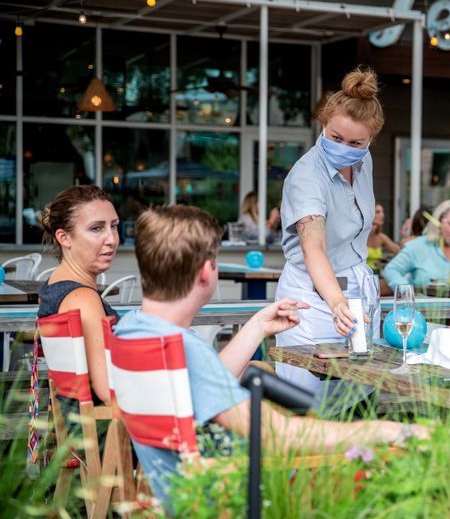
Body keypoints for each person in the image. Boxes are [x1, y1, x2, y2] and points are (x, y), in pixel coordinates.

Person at [114, 205, 429, 506]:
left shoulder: (134, 331)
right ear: (206, 272)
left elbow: (205, 380)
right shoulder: (184, 347)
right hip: (235, 494)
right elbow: (278, 436)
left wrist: (258, 326)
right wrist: (380, 429)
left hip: (181, 490)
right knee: (389, 469)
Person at [275, 67, 382, 398]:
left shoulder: (364, 163)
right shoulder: (308, 176)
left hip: (357, 294)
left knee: (358, 397)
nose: (344, 148)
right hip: (313, 298)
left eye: (355, 142)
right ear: (323, 126)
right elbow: (314, 249)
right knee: (307, 401)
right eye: (336, 138)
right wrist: (336, 302)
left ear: (369, 141)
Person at [38, 185, 120, 413]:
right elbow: (108, 391)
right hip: (108, 437)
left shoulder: (54, 287)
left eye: (114, 226)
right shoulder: (82, 299)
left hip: (81, 435)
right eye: (96, 228)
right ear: (64, 237)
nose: (111, 239)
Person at [383, 199, 450, 290]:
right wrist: (406, 291)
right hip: (423, 305)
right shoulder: (418, 246)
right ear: (438, 221)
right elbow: (391, 270)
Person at [366, 203, 400, 271]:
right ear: (369, 213)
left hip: (377, 274)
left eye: (382, 212)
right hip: (361, 275)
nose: (382, 215)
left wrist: (385, 260)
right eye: (377, 212)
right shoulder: (360, 235)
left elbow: (398, 251)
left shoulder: (380, 236)